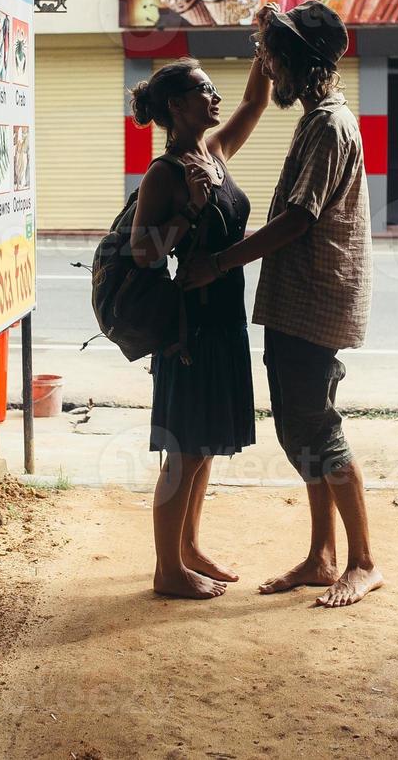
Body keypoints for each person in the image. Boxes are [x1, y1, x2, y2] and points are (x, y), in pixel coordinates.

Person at [179, 0, 381, 608]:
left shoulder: (328, 124)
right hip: (301, 301)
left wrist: (217, 262)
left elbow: (298, 218)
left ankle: (363, 561)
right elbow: (255, 99)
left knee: (314, 427)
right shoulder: (318, 115)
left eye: (274, 59)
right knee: (300, 426)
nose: (267, 67)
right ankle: (322, 556)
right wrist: (267, 44)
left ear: (300, 63)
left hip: (315, 302)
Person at [128, 48, 274, 600]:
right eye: (204, 91)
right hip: (189, 329)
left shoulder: (214, 150)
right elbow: (144, 253)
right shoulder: (163, 175)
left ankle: (188, 548)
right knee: (183, 449)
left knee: (205, 444)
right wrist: (189, 209)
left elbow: (255, 102)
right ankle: (167, 570)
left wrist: (263, 49)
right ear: (176, 106)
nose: (214, 97)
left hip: (225, 321)